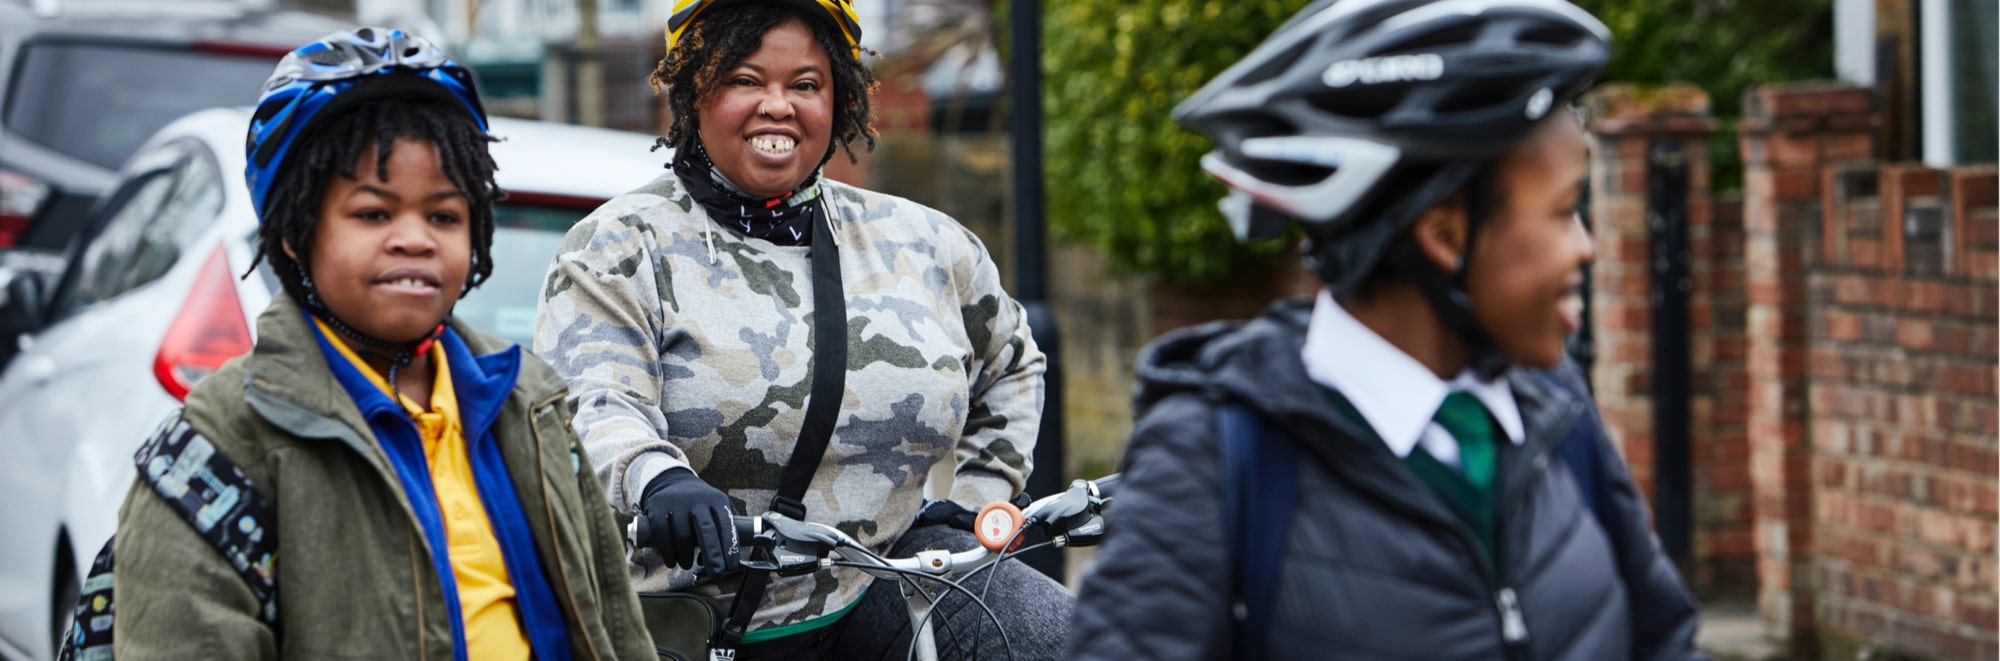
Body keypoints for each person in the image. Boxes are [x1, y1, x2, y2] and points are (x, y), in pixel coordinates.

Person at [1068, 1, 1707, 659]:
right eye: (1564, 210)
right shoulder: (1214, 456)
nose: (1587, 248)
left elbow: (1666, 643)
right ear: (1444, 234)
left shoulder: (1554, 407)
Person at [532, 0, 1062, 658]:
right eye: (745, 80)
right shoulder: (618, 245)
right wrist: (655, 477)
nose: (777, 105)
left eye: (805, 84)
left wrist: (979, 498)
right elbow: (590, 398)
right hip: (699, 619)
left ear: (837, 100)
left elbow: (1012, 361)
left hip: (881, 590)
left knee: (1072, 635)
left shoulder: (924, 242)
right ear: (695, 90)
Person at [102, 28, 650, 660]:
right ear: (294, 235)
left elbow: (614, 623)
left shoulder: (532, 407)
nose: (414, 239)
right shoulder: (219, 445)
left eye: (444, 215)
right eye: (373, 214)